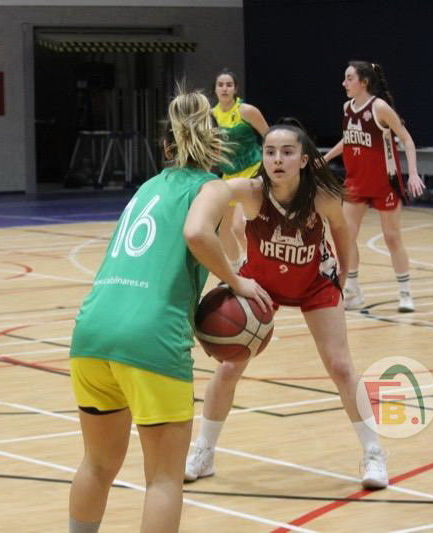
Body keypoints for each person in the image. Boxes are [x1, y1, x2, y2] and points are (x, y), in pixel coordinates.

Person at [68, 88, 269, 533]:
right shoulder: (210, 187)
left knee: (97, 465)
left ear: (166, 146)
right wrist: (236, 281)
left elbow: (227, 200)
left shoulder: (147, 188)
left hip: (91, 332)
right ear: (216, 146)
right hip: (151, 338)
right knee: (162, 479)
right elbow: (197, 232)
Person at [184, 123, 389, 490]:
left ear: (304, 160)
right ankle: (204, 451)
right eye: (270, 152)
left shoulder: (323, 196)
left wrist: (343, 276)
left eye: (287, 152)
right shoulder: (251, 192)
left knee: (340, 366)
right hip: (260, 284)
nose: (277, 159)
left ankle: (373, 452)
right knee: (229, 367)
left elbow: (342, 231)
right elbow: (208, 190)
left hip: (313, 283)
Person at [323, 61, 425, 312]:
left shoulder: (379, 107)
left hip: (384, 182)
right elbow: (348, 140)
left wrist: (413, 173)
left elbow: (407, 139)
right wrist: (324, 158)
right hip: (356, 182)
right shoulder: (347, 107)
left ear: (364, 82)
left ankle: (405, 293)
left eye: (349, 78)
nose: (344, 83)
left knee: (391, 237)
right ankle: (353, 290)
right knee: (345, 237)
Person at [212, 68, 269, 271]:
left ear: (235, 89)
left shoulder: (246, 110)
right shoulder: (211, 116)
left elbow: (269, 135)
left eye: (229, 85)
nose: (224, 88)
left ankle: (257, 267)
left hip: (252, 171)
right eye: (220, 85)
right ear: (215, 89)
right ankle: (237, 270)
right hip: (229, 175)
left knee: (239, 226)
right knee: (223, 230)